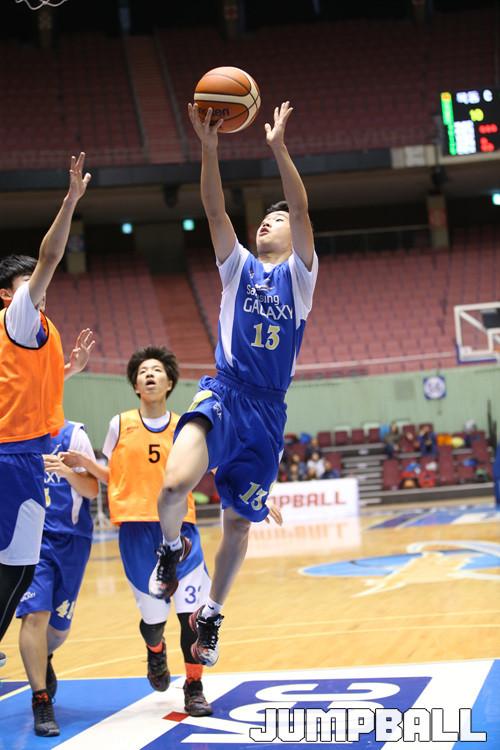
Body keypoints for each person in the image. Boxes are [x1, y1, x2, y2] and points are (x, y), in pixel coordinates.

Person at [149, 101, 318, 668]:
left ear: (296, 236)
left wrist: (278, 148)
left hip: (266, 415)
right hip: (223, 393)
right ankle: (170, 550)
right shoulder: (237, 266)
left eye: (278, 220)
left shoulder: (300, 279)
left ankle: (213, 615)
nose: (268, 222)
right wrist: (210, 147)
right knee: (173, 487)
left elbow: (300, 205)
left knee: (238, 527)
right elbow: (214, 208)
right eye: (264, 219)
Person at [63, 346, 213, 717]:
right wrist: (86, 464)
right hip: (136, 533)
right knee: (154, 621)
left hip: (181, 530)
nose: (149, 375)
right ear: (134, 385)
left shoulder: (186, 427)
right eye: (143, 371)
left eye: (156, 370)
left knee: (191, 616)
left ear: (170, 382)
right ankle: (155, 650)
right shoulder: (120, 424)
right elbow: (115, 476)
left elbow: (211, 468)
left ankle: (194, 686)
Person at [0, 153, 91, 670]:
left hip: (20, 453)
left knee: (16, 569)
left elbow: (22, 391)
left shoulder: (34, 333)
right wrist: (71, 201)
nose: (41, 284)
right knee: (16, 570)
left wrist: (67, 372)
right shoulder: (19, 315)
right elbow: (51, 255)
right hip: (13, 456)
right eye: (28, 281)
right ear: (7, 295)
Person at [16, 420, 98, 737]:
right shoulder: (15, 434)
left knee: (58, 630)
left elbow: (92, 490)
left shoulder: (73, 435)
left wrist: (66, 472)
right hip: (30, 538)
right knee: (34, 615)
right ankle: (41, 700)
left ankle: (44, 655)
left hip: (72, 540)